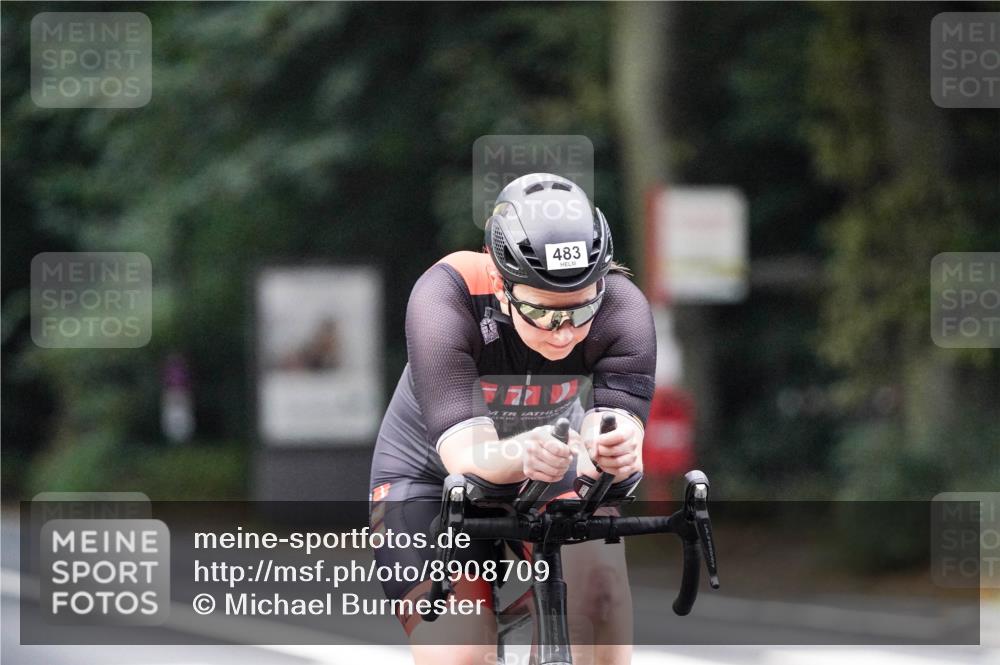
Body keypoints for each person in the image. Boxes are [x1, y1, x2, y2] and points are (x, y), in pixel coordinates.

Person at [369, 173, 656, 665]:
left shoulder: (621, 305)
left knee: (602, 596)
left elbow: (617, 422)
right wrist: (526, 451)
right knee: (460, 650)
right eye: (543, 313)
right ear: (502, 286)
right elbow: (469, 460)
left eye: (581, 310)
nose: (565, 334)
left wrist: (616, 446)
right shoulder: (447, 295)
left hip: (550, 463)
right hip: (432, 478)